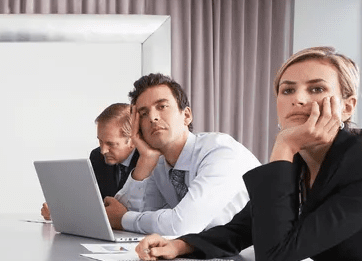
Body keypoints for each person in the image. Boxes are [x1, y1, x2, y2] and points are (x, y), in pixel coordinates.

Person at [134, 47, 362, 261]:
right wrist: (181, 245)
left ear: (347, 107)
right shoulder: (301, 159)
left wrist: (285, 144)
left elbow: (275, 252)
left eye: (316, 89)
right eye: (287, 90)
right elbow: (243, 227)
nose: (298, 99)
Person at [105, 73, 259, 236]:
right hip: (205, 255)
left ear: (186, 116)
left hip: (253, 255)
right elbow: (120, 211)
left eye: (162, 106)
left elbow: (182, 225)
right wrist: (145, 160)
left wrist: (123, 219)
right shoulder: (159, 164)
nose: (153, 117)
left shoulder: (220, 151)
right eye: (143, 113)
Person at [41, 103, 139, 220]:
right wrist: (60, 211)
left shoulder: (149, 161)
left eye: (110, 144)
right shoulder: (97, 157)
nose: (103, 150)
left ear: (133, 140)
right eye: (100, 141)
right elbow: (91, 203)